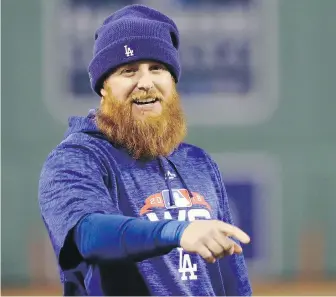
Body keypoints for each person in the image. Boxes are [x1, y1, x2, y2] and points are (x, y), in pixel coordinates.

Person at [38, 4, 252, 296]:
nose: (146, 83)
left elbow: (232, 281)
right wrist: (177, 232)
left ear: (172, 80)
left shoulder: (198, 163)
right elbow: (90, 234)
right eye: (129, 71)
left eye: (157, 68)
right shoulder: (76, 159)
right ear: (104, 87)